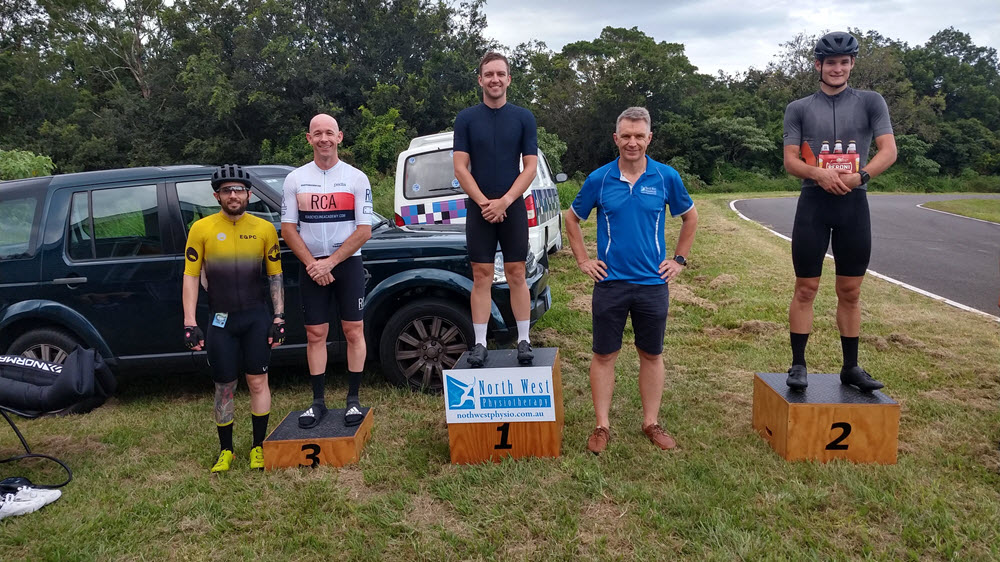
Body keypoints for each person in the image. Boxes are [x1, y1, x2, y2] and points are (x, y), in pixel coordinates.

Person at [565, 107, 698, 455]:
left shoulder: (666, 177)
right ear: (616, 138)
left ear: (649, 138)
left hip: (652, 284)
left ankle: (651, 422)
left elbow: (690, 217)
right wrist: (583, 260)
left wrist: (679, 260)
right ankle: (602, 425)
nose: (632, 142)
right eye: (626, 136)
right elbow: (572, 218)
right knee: (604, 355)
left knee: (651, 354)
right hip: (610, 283)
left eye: (639, 136)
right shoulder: (600, 179)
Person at [782, 31, 897, 391]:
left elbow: (888, 150)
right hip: (813, 203)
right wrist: (818, 174)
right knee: (806, 287)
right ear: (818, 65)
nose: (837, 68)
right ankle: (798, 365)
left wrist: (860, 177)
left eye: (844, 62)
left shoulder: (871, 102)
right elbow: (790, 160)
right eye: (830, 62)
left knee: (850, 291)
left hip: (853, 203)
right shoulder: (799, 108)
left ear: (852, 64)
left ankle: (851, 367)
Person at [182, 164, 285, 473]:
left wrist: (279, 317)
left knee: (258, 381)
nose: (233, 195)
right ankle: (226, 450)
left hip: (256, 317)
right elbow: (190, 277)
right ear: (217, 196)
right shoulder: (201, 229)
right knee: (224, 386)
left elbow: (275, 276)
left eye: (239, 189)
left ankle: (258, 447)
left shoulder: (265, 228)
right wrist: (189, 322)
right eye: (227, 190)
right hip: (220, 321)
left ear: (249, 194)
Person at [281, 114, 372, 429]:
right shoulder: (295, 179)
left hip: (346, 264)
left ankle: (353, 399)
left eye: (329, 133)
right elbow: (288, 229)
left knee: (353, 331)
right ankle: (318, 402)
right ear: (309, 138)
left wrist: (330, 263)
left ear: (339, 137)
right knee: (315, 334)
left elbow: (364, 230)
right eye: (317, 133)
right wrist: (313, 264)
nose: (324, 139)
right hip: (312, 265)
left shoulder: (356, 178)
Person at [453, 51, 538, 367]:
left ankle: (524, 340)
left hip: (512, 207)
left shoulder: (523, 118)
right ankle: (479, 343)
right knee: (481, 275)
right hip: (479, 209)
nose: (495, 79)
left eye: (500, 74)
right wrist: (484, 203)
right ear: (480, 79)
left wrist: (505, 201)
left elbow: (530, 167)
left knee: (517, 272)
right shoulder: (466, 119)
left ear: (509, 79)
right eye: (489, 74)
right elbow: (460, 167)